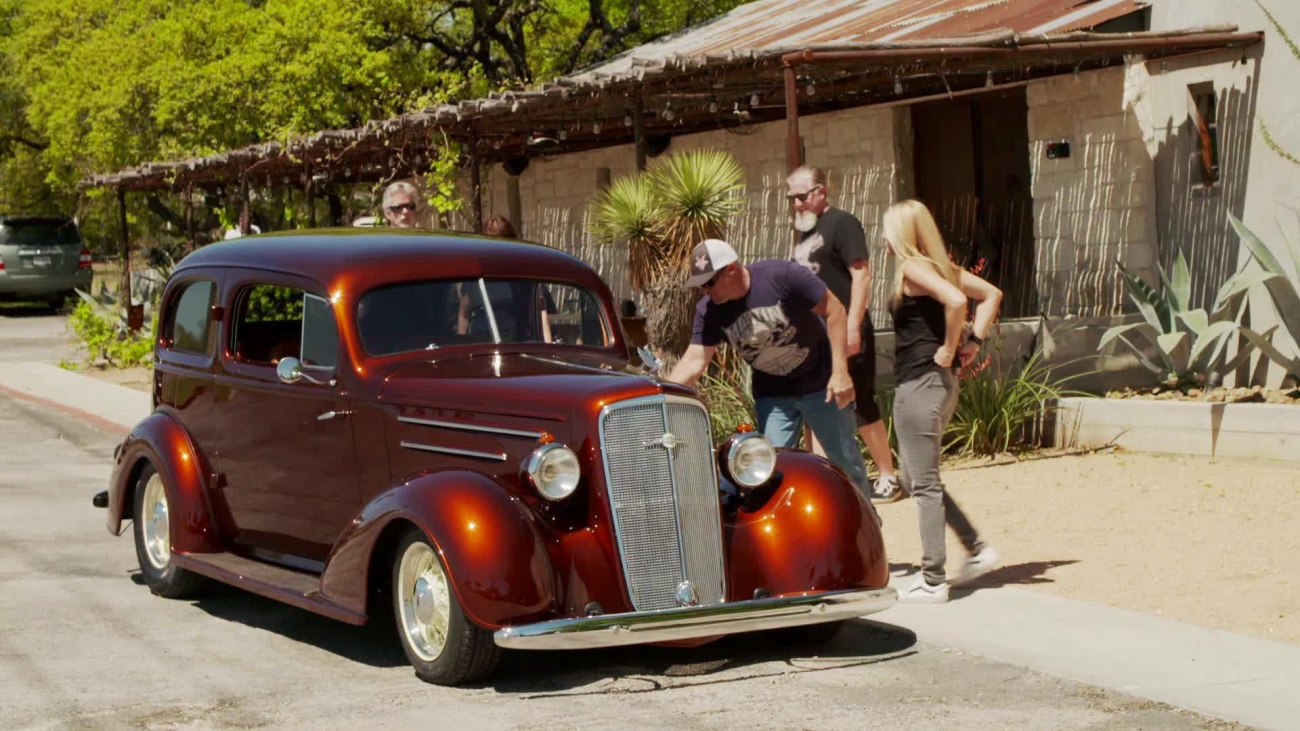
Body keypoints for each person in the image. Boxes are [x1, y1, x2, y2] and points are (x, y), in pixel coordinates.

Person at [666, 239, 875, 502]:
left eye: (709, 282)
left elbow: (835, 310)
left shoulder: (782, 276)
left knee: (845, 464)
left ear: (731, 269)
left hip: (821, 384)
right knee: (768, 470)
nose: (705, 291)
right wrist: (659, 394)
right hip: (774, 394)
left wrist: (840, 372)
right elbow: (695, 360)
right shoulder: (708, 311)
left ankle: (866, 521)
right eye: (701, 285)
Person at [883, 200, 1002, 603]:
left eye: (887, 229)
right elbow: (991, 294)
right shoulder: (938, 268)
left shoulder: (913, 268)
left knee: (923, 484)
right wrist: (974, 341)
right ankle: (976, 548)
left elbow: (956, 301)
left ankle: (933, 579)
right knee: (914, 478)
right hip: (940, 384)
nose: (882, 237)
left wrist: (952, 347)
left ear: (901, 232)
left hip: (920, 384)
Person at [786, 165, 900, 504]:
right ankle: (828, 480)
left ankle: (888, 477)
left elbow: (862, 275)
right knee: (819, 404)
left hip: (847, 327)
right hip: (815, 335)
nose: (797, 204)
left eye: (802, 196)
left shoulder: (843, 223)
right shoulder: (805, 232)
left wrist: (853, 325)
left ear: (821, 191)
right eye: (792, 198)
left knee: (860, 400)